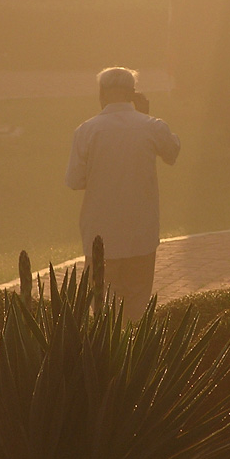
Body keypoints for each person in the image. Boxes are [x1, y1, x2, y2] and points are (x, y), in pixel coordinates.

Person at [65, 67, 180, 320]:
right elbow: (172, 153)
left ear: (101, 94)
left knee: (104, 309)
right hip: (142, 232)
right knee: (138, 305)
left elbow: (75, 180)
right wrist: (145, 115)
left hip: (100, 234)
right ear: (133, 94)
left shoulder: (86, 131)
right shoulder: (152, 127)